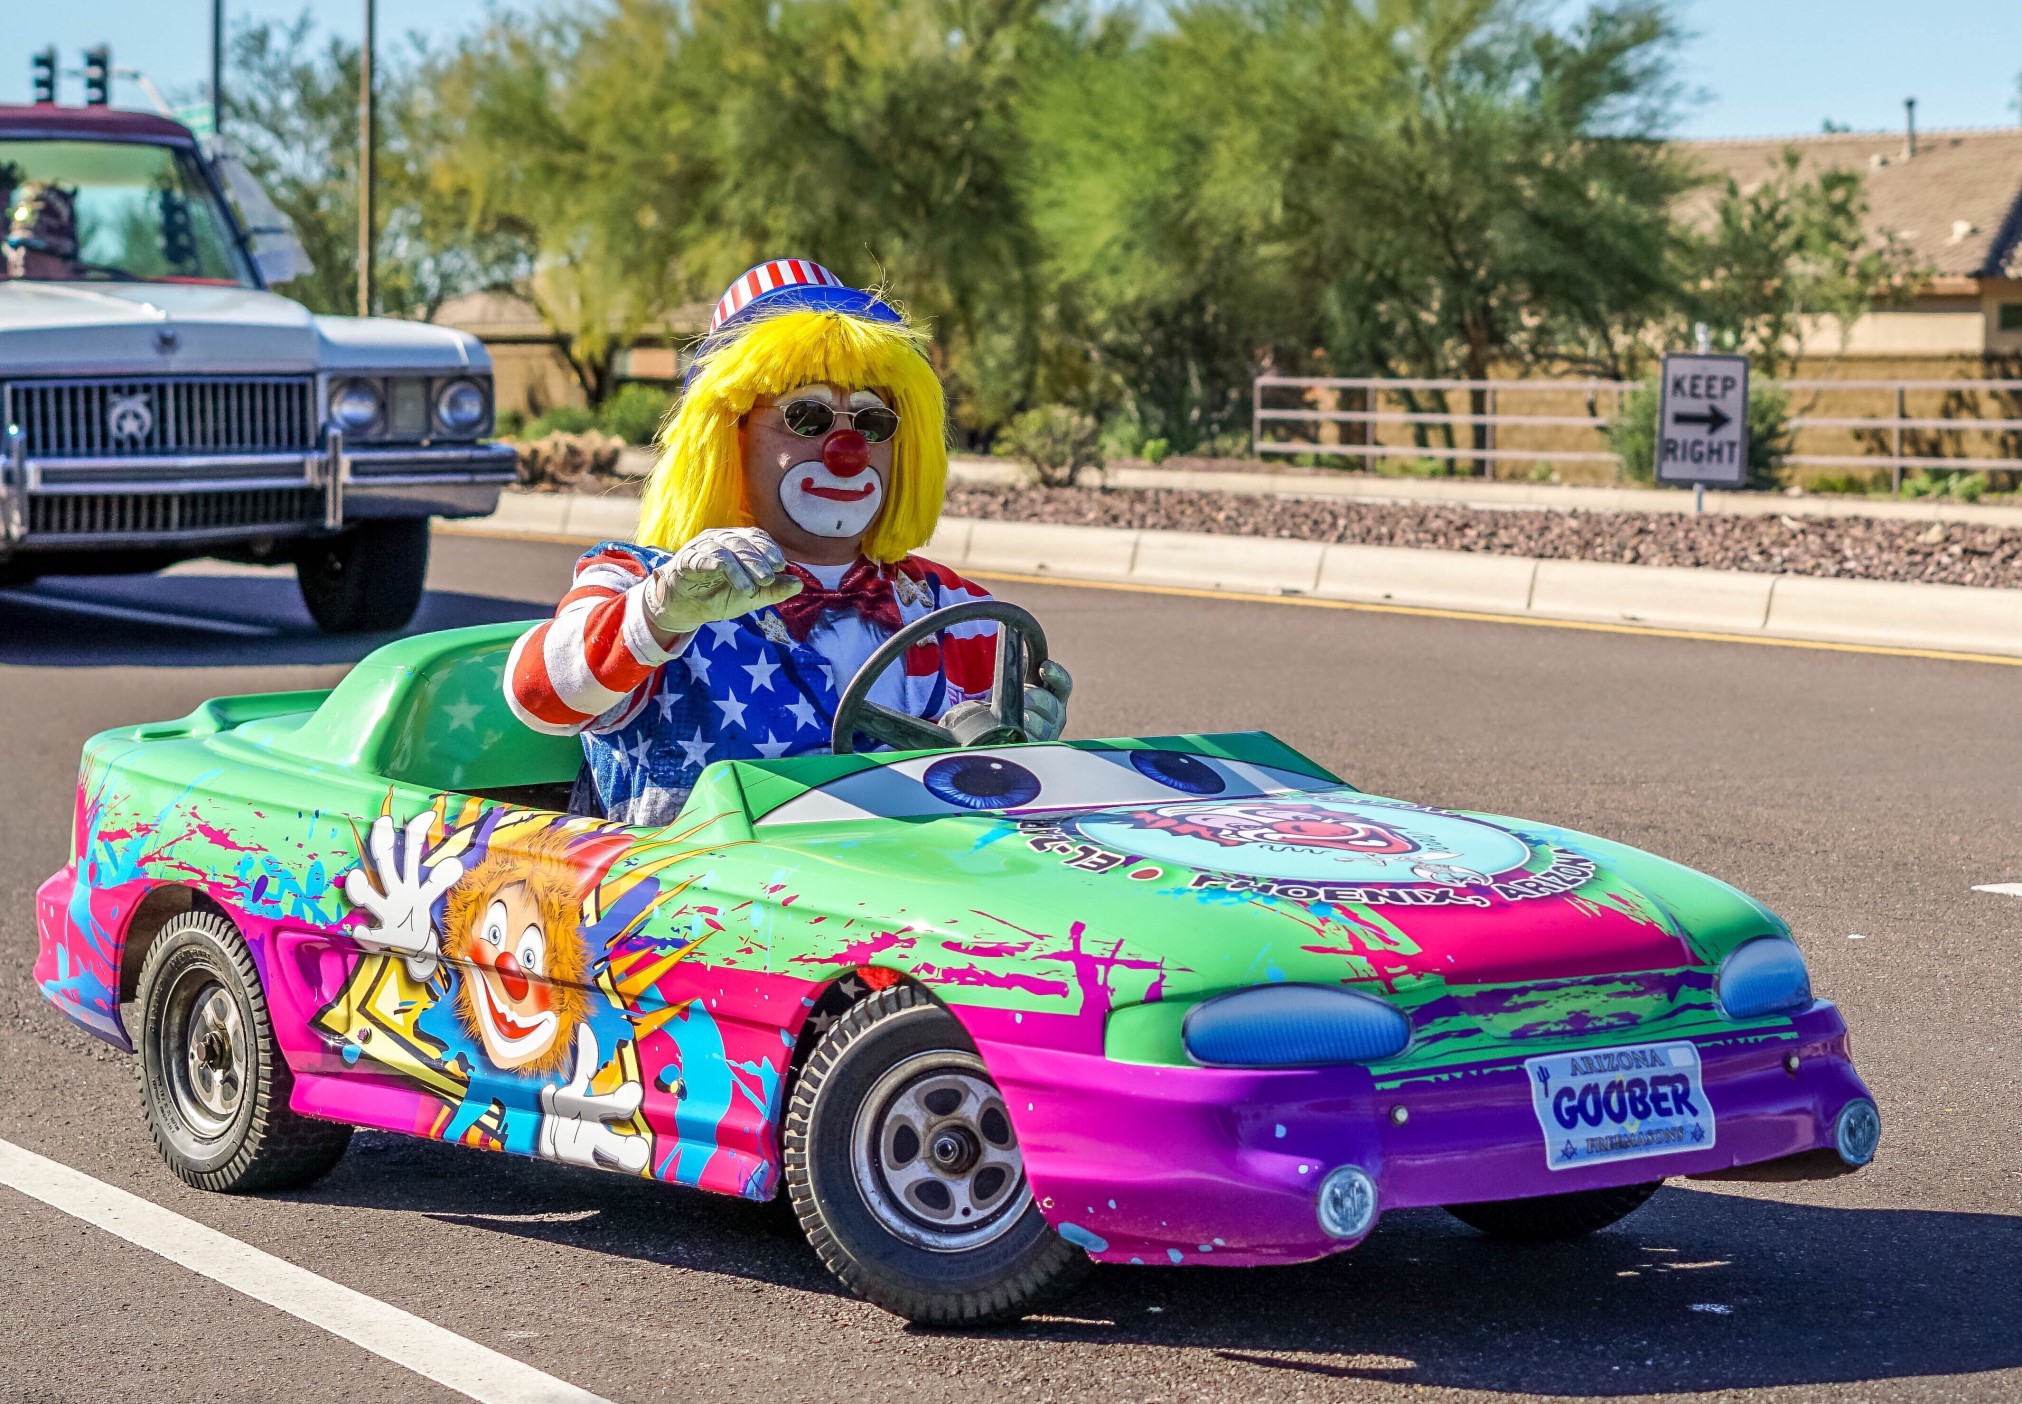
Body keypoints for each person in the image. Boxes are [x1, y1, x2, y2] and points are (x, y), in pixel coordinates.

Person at [506, 260, 1069, 824]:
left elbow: (1000, 810)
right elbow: (538, 695)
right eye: (807, 416)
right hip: (696, 901)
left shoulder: (960, 611)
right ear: (728, 433)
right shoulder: (636, 577)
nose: (845, 449)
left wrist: (1017, 744)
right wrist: (658, 614)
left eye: (874, 424)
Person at [4, 182, 80, 281]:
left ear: (66, 265)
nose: (23, 255)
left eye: (36, 248)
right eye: (15, 246)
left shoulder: (91, 294)